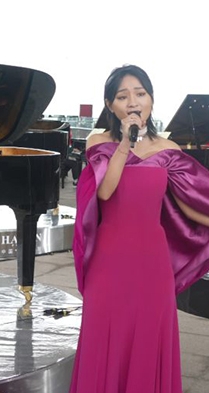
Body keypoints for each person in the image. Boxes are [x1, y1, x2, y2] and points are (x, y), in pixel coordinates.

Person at [70, 65, 209, 392]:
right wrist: (125, 144)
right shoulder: (98, 141)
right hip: (109, 260)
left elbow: (191, 206)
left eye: (140, 93)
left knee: (148, 341)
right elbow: (105, 191)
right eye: (122, 96)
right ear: (110, 105)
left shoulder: (168, 150)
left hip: (153, 265)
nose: (133, 101)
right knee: (104, 337)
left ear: (151, 99)